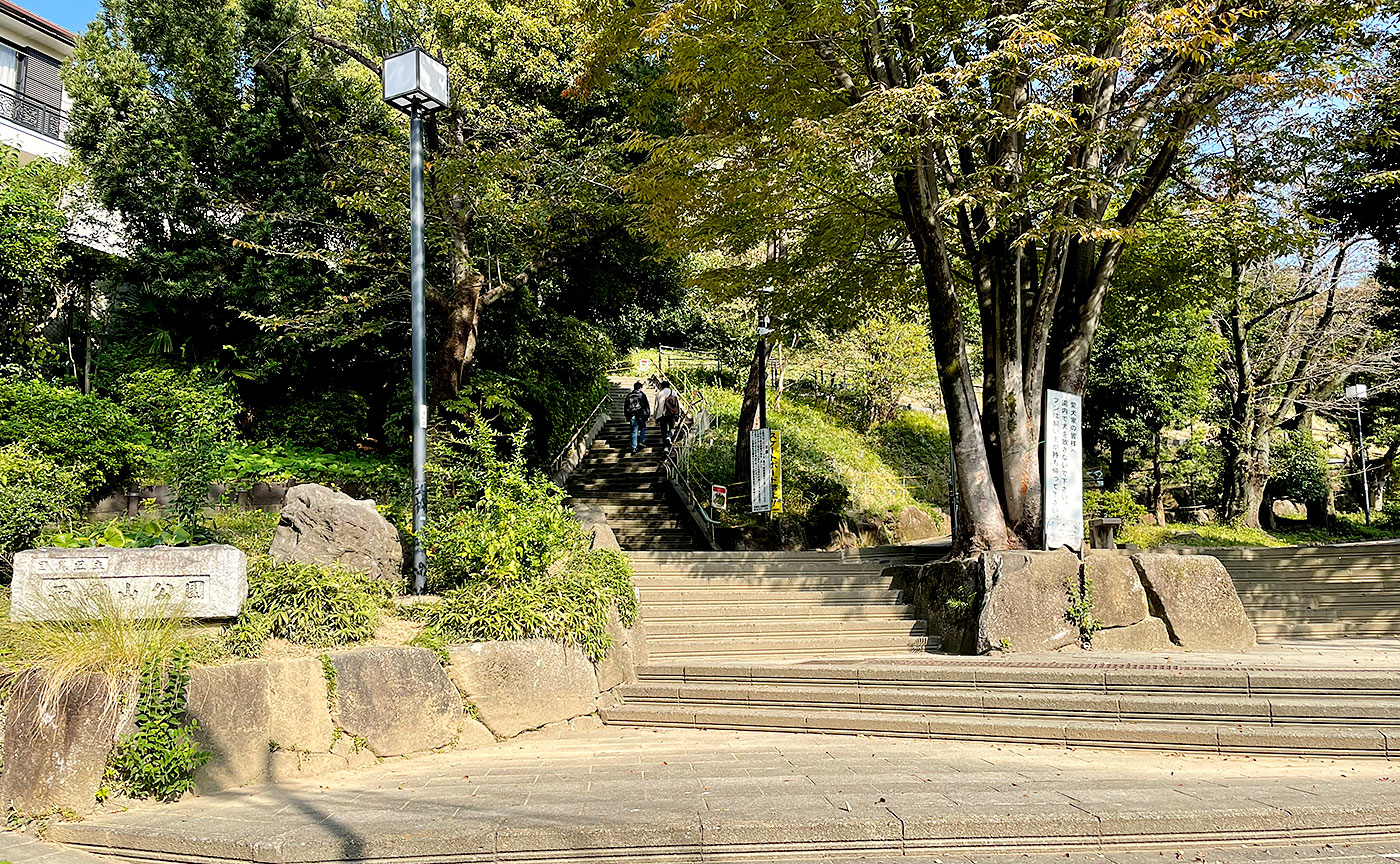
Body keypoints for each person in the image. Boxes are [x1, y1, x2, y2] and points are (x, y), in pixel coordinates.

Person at [623, 381, 650, 455]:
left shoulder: (629, 395)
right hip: (641, 415)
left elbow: (626, 407)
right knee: (643, 428)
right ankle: (641, 441)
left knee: (634, 430)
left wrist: (627, 416)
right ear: (640, 388)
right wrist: (647, 415)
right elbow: (646, 406)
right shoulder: (642, 395)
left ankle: (634, 446)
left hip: (632, 415)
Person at [655, 379, 682, 449]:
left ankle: (665, 447)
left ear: (662, 386)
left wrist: (655, 417)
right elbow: (678, 404)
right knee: (672, 428)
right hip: (671, 414)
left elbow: (656, 407)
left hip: (662, 415)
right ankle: (669, 438)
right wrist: (679, 414)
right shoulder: (673, 392)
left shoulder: (659, 394)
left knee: (663, 431)